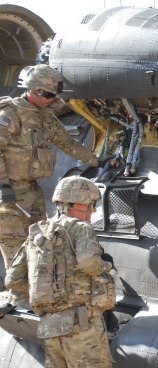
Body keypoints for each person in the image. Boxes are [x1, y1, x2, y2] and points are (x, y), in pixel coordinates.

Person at [6, 176, 118, 368]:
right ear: (77, 203)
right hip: (83, 331)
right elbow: (91, 265)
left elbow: (13, 279)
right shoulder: (80, 229)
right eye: (91, 204)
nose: (93, 211)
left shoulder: (37, 232)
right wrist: (107, 264)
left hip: (51, 330)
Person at [0, 64, 99, 277]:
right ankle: (17, 297)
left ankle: (34, 296)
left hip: (31, 191)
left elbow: (66, 142)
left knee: (38, 243)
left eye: (54, 96)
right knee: (14, 247)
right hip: (10, 194)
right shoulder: (11, 113)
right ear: (33, 89)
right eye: (47, 95)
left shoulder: (44, 117)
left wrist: (95, 161)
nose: (51, 100)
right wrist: (3, 186)